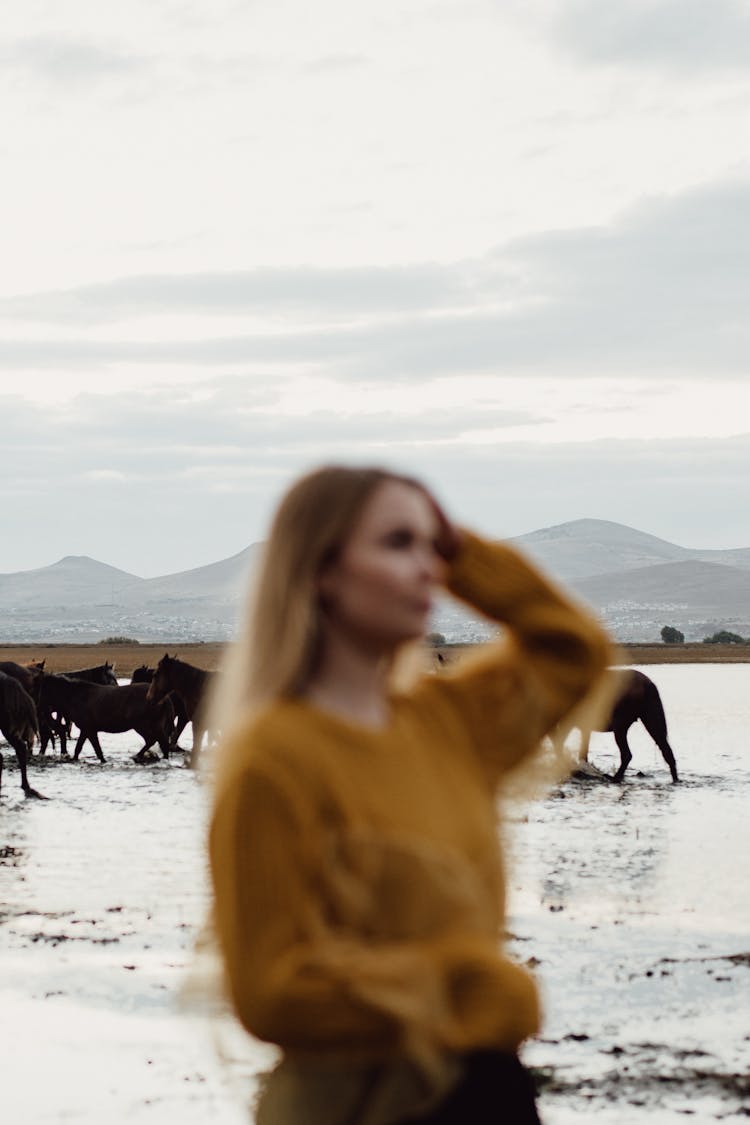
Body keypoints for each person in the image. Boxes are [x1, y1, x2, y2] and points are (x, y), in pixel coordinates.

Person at [207, 465, 613, 1124]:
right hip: (357, 1106)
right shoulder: (273, 758)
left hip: (485, 1089)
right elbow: (269, 989)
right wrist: (456, 988)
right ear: (321, 570)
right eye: (399, 543)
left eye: (432, 547)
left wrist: (466, 554)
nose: (428, 568)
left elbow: (574, 649)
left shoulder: (449, 723)